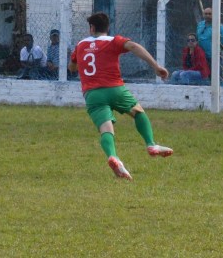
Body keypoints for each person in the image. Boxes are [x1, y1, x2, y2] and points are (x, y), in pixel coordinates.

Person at [69, 12, 172, 181]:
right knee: (138, 112)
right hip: (115, 89)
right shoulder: (113, 41)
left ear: (92, 28)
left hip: (93, 94)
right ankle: (151, 145)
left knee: (106, 129)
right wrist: (155, 66)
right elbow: (134, 47)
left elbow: (72, 67)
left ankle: (113, 156)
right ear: (107, 28)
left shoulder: (80, 45)